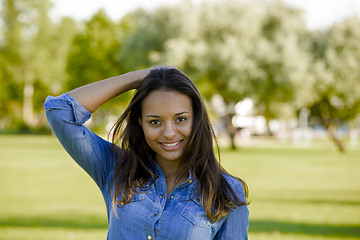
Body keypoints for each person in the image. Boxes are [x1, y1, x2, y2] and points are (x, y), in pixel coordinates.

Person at [44, 66, 249, 240]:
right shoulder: (115, 167)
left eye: (180, 119)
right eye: (155, 122)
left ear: (196, 119)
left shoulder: (227, 191)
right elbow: (60, 110)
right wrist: (139, 77)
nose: (169, 133)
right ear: (140, 123)